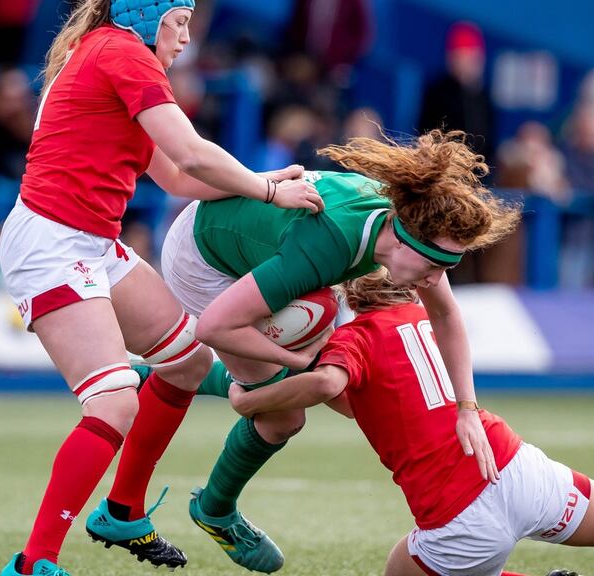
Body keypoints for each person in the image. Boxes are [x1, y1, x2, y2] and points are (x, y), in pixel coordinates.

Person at [0, 1, 323, 575]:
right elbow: (193, 155)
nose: (187, 35)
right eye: (179, 20)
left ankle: (122, 512)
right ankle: (32, 565)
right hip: (52, 244)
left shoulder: (106, 50)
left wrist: (262, 180)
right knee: (115, 399)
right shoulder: (124, 53)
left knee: (188, 361)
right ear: (147, 18)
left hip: (88, 242)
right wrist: (269, 194)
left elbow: (175, 175)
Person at [156, 129, 518, 573]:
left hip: (253, 242)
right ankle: (214, 509)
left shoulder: (405, 227)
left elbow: (447, 317)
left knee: (336, 386)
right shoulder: (329, 243)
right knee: (285, 412)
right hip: (203, 259)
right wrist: (300, 362)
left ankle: (182, 378)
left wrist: (467, 407)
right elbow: (214, 326)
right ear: (405, 242)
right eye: (434, 266)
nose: (433, 281)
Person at [228, 269, 594, 576]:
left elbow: (327, 387)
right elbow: (360, 401)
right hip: (516, 469)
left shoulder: (355, 339)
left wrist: (251, 399)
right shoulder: (429, 318)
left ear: (348, 294)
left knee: (400, 571)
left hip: (457, 517)